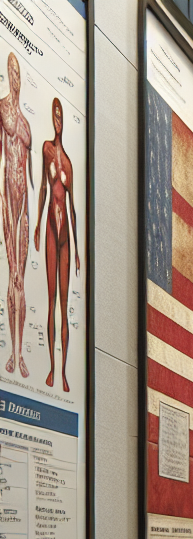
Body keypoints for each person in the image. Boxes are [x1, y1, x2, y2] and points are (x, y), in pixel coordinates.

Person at [34, 97, 79, 392]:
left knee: (65, 306)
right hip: (51, 229)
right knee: (50, 302)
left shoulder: (71, 165)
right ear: (52, 118)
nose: (58, 119)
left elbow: (73, 206)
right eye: (55, 114)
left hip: (65, 238)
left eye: (61, 114)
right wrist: (38, 224)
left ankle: (62, 373)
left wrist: (77, 252)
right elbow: (42, 188)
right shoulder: (47, 150)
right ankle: (51, 367)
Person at [1, 53, 32, 380]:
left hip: (24, 207)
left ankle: (20, 352)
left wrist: (27, 218)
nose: (16, 78)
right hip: (8, 202)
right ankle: (11, 353)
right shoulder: (3, 110)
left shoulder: (24, 122)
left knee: (21, 281)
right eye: (12, 72)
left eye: (19, 73)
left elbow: (29, 171)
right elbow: (3, 165)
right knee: (12, 276)